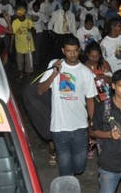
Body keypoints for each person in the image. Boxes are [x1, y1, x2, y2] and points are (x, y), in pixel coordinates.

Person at [37, 35, 97, 176]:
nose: (72, 54)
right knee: (64, 168)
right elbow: (40, 90)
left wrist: (92, 123)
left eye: (75, 51)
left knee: (79, 166)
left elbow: (90, 100)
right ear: (63, 50)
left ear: (79, 51)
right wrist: (54, 74)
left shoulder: (86, 72)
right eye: (69, 51)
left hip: (80, 127)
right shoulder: (55, 64)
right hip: (59, 127)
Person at [12, 7, 35, 82]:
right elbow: (14, 34)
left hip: (29, 44)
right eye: (19, 16)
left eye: (22, 15)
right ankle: (21, 73)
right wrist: (11, 45)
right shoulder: (15, 22)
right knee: (19, 60)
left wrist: (31, 30)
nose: (21, 17)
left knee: (29, 61)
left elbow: (34, 30)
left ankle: (28, 75)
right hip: (19, 44)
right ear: (17, 16)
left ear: (25, 15)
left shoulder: (29, 21)